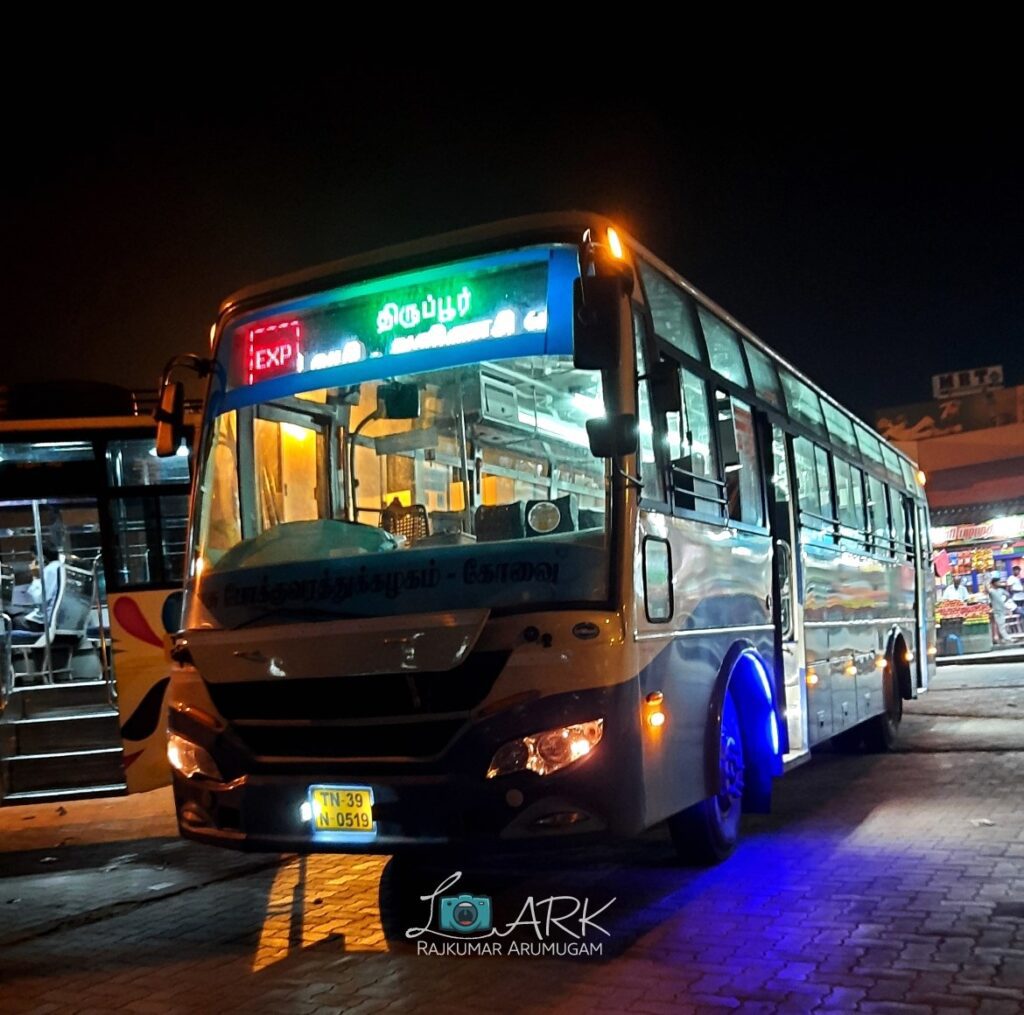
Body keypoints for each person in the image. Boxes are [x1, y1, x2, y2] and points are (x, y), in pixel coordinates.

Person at [11, 542, 64, 633]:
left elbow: (40, 598)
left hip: (46, 624)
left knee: (15, 620)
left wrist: (35, 577)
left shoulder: (49, 571)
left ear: (42, 558)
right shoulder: (60, 567)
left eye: (34, 558)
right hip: (60, 620)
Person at [988, 576, 1012, 646]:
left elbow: (1008, 595)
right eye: (998, 582)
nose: (999, 583)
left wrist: (1004, 602)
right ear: (994, 583)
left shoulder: (1001, 590)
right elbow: (987, 590)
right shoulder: (991, 591)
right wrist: (987, 582)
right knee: (1001, 626)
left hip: (1002, 610)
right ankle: (1007, 639)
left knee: (1001, 625)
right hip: (996, 610)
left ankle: (1002, 639)